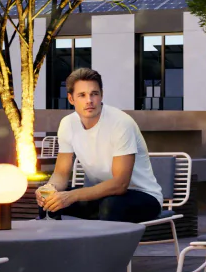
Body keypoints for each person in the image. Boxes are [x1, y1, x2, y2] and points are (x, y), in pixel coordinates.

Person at [35, 69, 163, 224]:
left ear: (101, 95)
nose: (89, 100)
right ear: (71, 98)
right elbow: (61, 174)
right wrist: (49, 190)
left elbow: (120, 184)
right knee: (51, 204)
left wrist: (72, 196)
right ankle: (57, 247)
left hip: (142, 196)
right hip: (102, 196)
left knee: (111, 206)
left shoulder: (120, 123)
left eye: (94, 94)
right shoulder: (68, 124)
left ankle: (107, 249)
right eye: (82, 95)